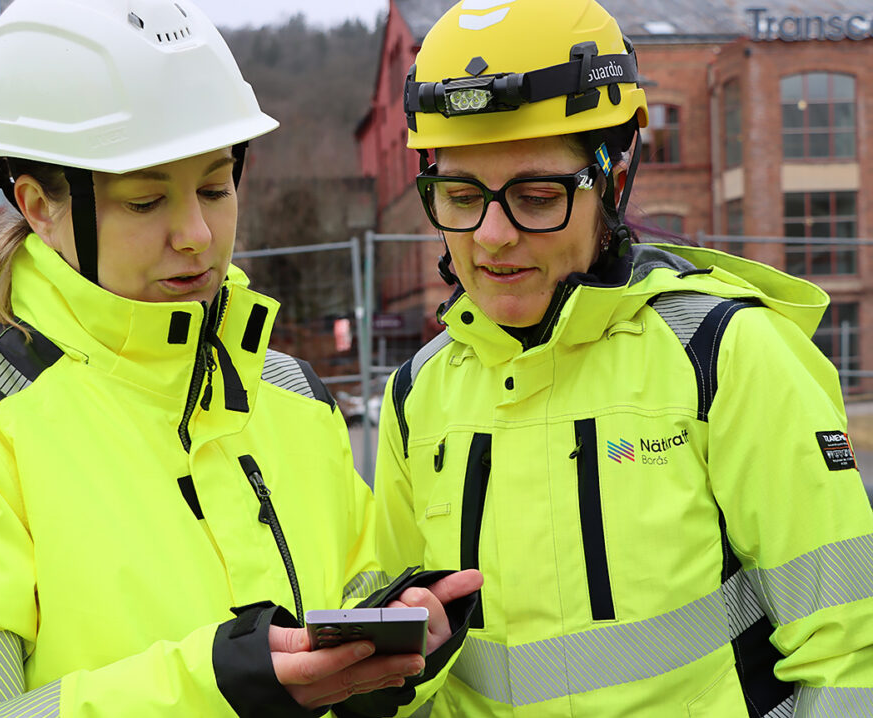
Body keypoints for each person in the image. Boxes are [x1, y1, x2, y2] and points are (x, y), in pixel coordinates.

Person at [0, 1, 482, 716]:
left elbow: (355, 610)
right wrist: (213, 689)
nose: (196, 233)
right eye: (145, 202)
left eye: (215, 187)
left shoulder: (290, 396)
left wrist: (388, 656)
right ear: (37, 205)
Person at [373, 0, 873, 715]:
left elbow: (851, 651)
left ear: (611, 178)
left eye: (536, 197)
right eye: (459, 195)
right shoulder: (416, 395)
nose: (491, 237)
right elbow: (400, 669)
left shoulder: (724, 357)